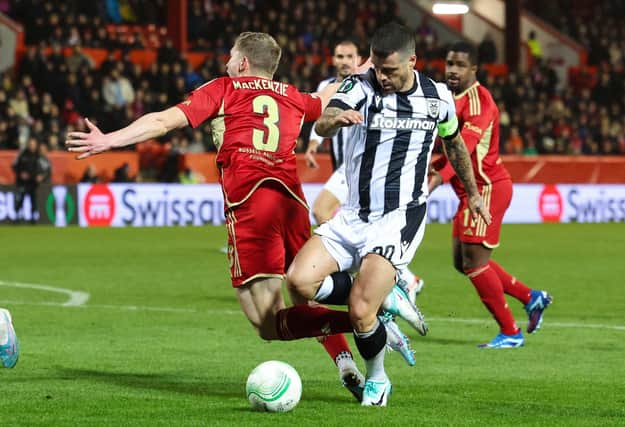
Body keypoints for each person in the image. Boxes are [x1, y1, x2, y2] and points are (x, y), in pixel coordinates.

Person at [66, 31, 411, 402]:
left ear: (243, 62)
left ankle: (370, 318)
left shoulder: (224, 88)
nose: (226, 63)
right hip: (291, 201)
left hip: (252, 201)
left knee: (268, 323)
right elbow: (323, 99)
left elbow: (164, 121)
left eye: (231, 56)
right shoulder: (291, 95)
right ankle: (348, 356)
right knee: (303, 291)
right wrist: (357, 74)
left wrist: (109, 140)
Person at [287, 23, 491, 407]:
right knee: (298, 284)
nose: (382, 77)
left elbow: (454, 143)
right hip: (354, 214)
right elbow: (323, 123)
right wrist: (336, 119)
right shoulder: (362, 86)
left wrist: (475, 192)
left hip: (399, 216)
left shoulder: (437, 98)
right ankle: (387, 297)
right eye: (378, 69)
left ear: (412, 61)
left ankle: (378, 378)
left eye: (391, 71)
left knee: (360, 308)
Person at [429, 41, 552, 348]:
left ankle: (510, 332)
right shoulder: (448, 98)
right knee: (463, 262)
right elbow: (446, 150)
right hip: (467, 192)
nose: (452, 70)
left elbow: (463, 149)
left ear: (474, 69)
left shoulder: (480, 103)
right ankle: (531, 297)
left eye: (460, 65)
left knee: (474, 263)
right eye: (449, 63)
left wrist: (435, 180)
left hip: (486, 189)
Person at [305, 40, 425, 303]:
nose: (344, 61)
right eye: (339, 56)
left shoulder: (366, 82)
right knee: (343, 219)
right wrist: (313, 145)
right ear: (333, 59)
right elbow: (320, 120)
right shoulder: (327, 88)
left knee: (321, 209)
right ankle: (395, 278)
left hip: (365, 166)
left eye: (350, 56)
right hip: (346, 169)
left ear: (361, 58)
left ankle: (390, 278)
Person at [12, 137, 45, 224]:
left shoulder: (39, 156)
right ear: (28, 145)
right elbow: (14, 166)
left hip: (33, 182)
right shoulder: (22, 155)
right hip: (22, 182)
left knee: (33, 200)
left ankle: (33, 218)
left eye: (33, 145)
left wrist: (41, 176)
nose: (32, 146)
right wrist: (20, 174)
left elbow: (45, 168)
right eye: (30, 144)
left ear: (36, 145)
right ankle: (17, 217)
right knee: (20, 200)